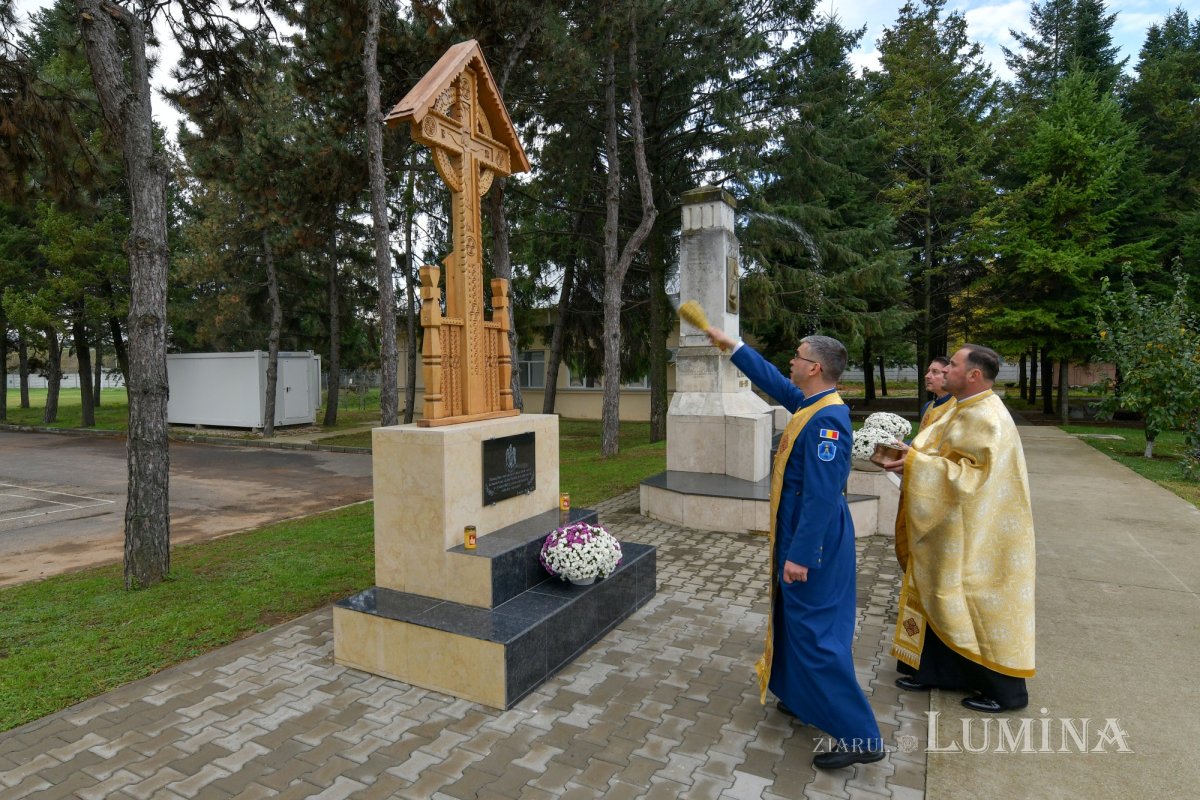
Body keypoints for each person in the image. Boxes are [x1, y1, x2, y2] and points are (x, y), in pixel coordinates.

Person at [705, 326, 884, 770]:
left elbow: (823, 498)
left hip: (814, 544)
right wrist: (734, 347)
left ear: (815, 367)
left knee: (816, 635)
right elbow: (775, 381)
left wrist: (801, 557)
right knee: (794, 621)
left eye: (798, 356)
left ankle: (862, 737)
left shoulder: (827, 420)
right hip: (802, 535)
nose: (792, 360)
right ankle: (800, 696)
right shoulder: (812, 403)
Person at [882, 344, 1036, 712]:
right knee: (940, 595)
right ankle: (940, 672)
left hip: (980, 534)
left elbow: (971, 478)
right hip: (953, 526)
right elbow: (939, 454)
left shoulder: (987, 417)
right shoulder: (960, 407)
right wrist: (910, 456)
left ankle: (1006, 693)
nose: (944, 369)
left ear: (974, 376)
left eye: (952, 364)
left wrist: (915, 463)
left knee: (977, 603)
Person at [895, 357, 954, 569]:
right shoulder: (929, 406)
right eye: (928, 370)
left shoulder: (955, 409)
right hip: (913, 479)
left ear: (950, 375)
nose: (928, 376)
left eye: (936, 372)